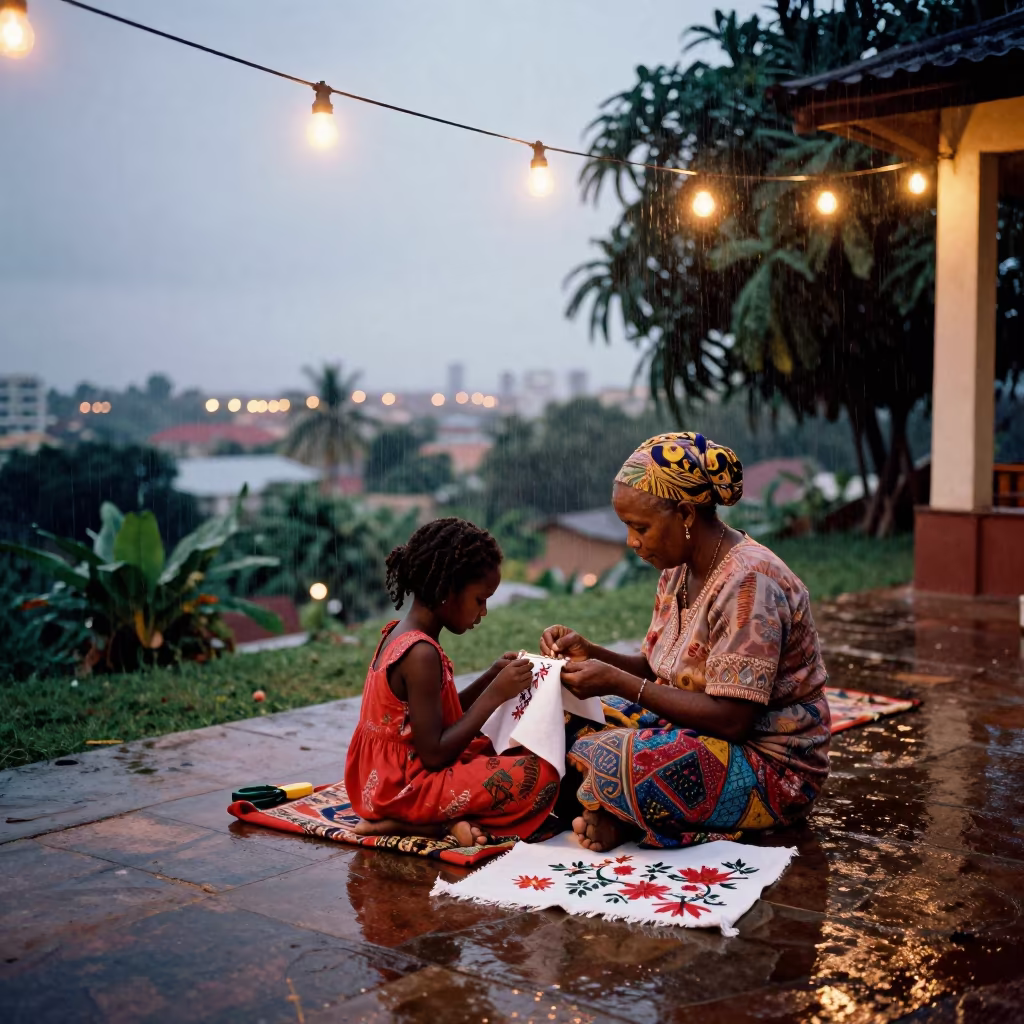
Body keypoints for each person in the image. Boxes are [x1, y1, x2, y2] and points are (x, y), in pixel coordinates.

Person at [542, 432, 831, 852]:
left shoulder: (750, 583)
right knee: (563, 711)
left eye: (640, 527)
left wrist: (619, 684)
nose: (631, 542)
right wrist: (592, 655)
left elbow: (733, 720)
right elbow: (658, 669)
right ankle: (614, 809)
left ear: (685, 514)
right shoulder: (677, 569)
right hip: (699, 731)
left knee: (618, 758)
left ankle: (617, 812)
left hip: (770, 765)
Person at [345, 517, 560, 848]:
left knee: (500, 749)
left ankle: (435, 821)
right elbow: (435, 755)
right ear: (447, 591)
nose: (484, 612)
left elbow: (434, 716)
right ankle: (421, 824)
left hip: (378, 780)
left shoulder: (402, 635)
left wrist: (490, 676)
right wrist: (494, 694)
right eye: (479, 600)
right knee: (538, 776)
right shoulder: (420, 654)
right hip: (403, 786)